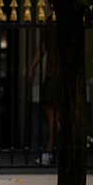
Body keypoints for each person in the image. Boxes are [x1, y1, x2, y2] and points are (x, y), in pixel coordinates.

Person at [27, 23, 59, 165]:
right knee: (51, 113)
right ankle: (50, 150)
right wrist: (32, 68)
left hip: (63, 74)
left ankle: (53, 150)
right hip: (51, 72)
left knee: (57, 114)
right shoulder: (49, 22)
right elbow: (43, 46)